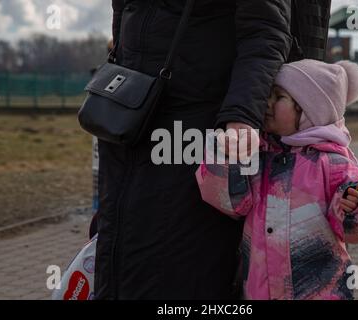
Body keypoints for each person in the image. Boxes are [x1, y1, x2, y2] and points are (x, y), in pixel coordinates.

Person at [94, 0, 293, 300]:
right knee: (121, 247)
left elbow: (265, 31)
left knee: (182, 262)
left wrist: (241, 116)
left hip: (195, 130)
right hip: (133, 121)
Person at [196, 59, 358, 300]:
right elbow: (232, 203)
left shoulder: (333, 163)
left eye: (279, 96)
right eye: (268, 94)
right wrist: (224, 155)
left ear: (309, 111)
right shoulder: (258, 154)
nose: (267, 103)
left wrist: (357, 207)